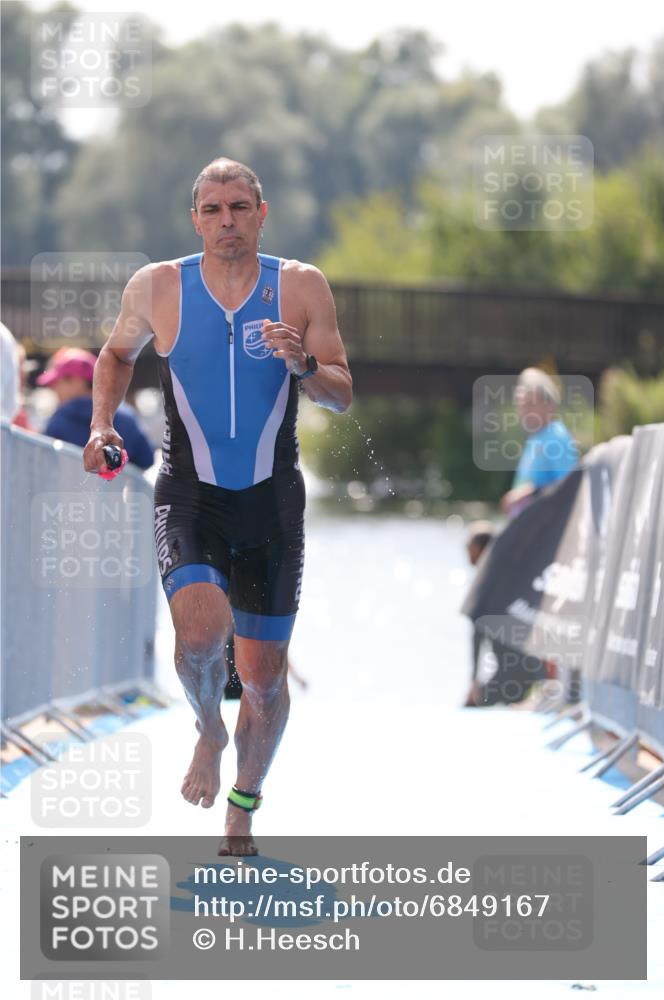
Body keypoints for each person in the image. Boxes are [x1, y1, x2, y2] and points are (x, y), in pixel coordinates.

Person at [83, 157, 353, 855]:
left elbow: (341, 393)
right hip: (189, 495)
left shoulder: (300, 286)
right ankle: (208, 727)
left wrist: (303, 365)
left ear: (261, 214)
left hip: (272, 503)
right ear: (196, 219)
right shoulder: (159, 286)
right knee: (200, 636)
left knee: (263, 681)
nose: (226, 221)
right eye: (213, 209)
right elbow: (115, 356)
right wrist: (101, 425)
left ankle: (244, 802)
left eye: (238, 207)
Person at [462, 520, 549, 707]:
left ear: (481, 549)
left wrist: (473, 682)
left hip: (515, 672)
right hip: (531, 671)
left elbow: (477, 636)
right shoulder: (514, 578)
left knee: (470, 707)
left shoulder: (486, 586)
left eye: (469, 547)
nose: (466, 552)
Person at [38, 347, 154, 470]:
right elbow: (147, 460)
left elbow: (42, 463)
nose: (54, 388)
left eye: (57, 381)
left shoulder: (60, 419)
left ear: (77, 381)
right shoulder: (127, 416)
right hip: (118, 483)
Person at [500, 368, 579, 518]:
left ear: (549, 405)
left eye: (530, 404)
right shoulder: (536, 438)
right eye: (521, 405)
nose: (523, 411)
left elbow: (570, 488)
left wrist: (532, 492)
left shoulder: (557, 437)